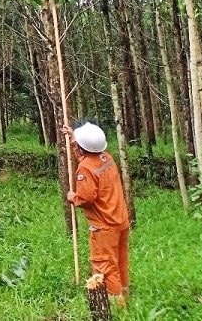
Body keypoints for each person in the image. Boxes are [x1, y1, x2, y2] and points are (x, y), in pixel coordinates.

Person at [63, 122, 130, 304]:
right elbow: (88, 160)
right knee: (120, 260)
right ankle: (124, 294)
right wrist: (74, 139)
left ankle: (115, 305)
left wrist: (73, 197)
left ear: (83, 147)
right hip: (120, 220)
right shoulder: (106, 158)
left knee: (105, 266)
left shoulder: (85, 169)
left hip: (104, 227)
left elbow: (86, 198)